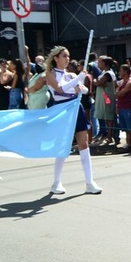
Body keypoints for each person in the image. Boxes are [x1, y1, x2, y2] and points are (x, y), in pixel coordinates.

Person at [44, 46, 102, 195]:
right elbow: (60, 90)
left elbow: (85, 90)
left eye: (68, 56)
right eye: (64, 56)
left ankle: (89, 182)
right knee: (63, 146)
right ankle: (56, 182)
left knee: (84, 144)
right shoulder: (50, 74)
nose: (67, 59)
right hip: (62, 110)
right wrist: (78, 78)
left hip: (76, 108)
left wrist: (80, 87)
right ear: (56, 58)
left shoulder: (70, 75)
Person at [93, 56, 117, 146]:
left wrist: (95, 80)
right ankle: (107, 135)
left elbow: (98, 83)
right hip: (103, 97)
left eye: (100, 62)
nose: (98, 64)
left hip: (107, 98)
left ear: (105, 64)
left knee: (109, 117)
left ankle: (109, 136)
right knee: (105, 117)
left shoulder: (108, 74)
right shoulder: (103, 73)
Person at [115, 64, 131, 150]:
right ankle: (129, 144)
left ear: (125, 72)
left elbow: (120, 93)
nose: (119, 72)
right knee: (126, 129)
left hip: (128, 107)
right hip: (121, 107)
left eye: (121, 71)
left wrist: (119, 93)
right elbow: (117, 94)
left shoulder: (130, 82)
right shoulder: (122, 82)